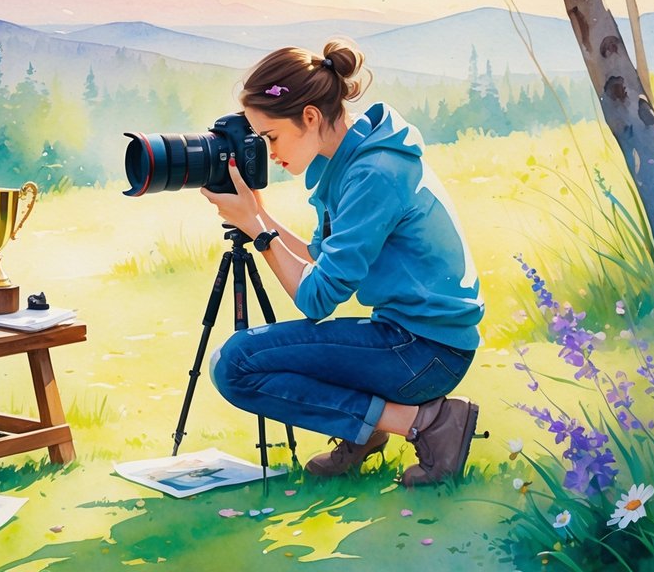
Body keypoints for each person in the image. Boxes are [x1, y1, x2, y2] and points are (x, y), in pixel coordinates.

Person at [200, 39, 484, 484]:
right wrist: (257, 210)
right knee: (255, 355)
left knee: (236, 364)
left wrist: (257, 229)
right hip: (414, 339)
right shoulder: (354, 158)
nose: (268, 151)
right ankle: (371, 429)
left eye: (271, 136)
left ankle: (427, 424)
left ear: (309, 117)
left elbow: (317, 299)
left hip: (425, 352)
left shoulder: (374, 174)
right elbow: (319, 258)